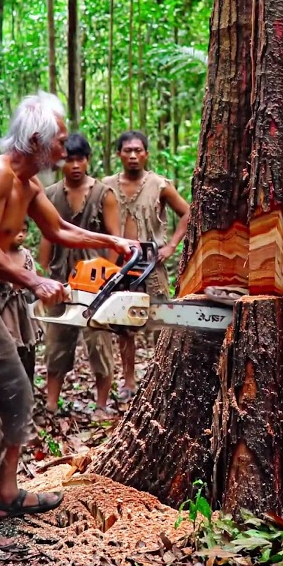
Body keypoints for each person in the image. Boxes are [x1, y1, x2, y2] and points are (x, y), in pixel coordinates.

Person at [0, 91, 137, 553]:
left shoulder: (29, 184)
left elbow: (59, 230)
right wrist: (32, 281)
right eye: (59, 140)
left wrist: (111, 242)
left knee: (17, 397)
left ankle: (7, 494)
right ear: (37, 139)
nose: (65, 148)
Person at [102, 130, 192, 397]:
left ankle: (160, 378)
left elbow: (187, 212)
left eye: (138, 151)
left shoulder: (159, 184)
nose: (132, 155)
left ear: (146, 154)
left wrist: (172, 245)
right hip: (119, 266)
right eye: (127, 150)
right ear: (119, 154)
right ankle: (128, 381)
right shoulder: (105, 186)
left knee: (160, 320)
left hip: (152, 264)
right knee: (123, 324)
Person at [38, 133, 120, 413]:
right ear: (61, 162)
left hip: (97, 283)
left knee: (100, 343)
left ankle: (100, 405)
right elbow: (46, 238)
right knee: (56, 343)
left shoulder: (103, 195)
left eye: (80, 159)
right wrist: (43, 272)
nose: (75, 165)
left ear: (88, 161)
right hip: (61, 280)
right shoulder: (49, 196)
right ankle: (51, 404)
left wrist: (110, 278)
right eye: (69, 159)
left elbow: (114, 238)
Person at [1, 218, 40, 386]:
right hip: (3, 309)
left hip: (21, 310)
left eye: (24, 231)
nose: (21, 235)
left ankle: (26, 392)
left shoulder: (25, 255)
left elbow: (33, 279)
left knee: (26, 352)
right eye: (17, 231)